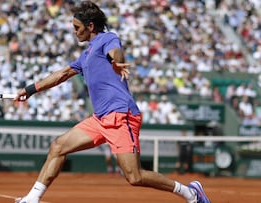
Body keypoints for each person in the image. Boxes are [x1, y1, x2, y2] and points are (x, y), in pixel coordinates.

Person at [14, 1, 210, 203]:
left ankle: (191, 193)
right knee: (58, 146)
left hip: (120, 115)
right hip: (99, 120)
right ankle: (32, 198)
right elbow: (62, 74)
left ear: (90, 26)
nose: (74, 32)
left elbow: (115, 52)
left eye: (77, 27)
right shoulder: (86, 55)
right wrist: (29, 90)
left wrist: (115, 62)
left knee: (135, 177)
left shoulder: (108, 38)